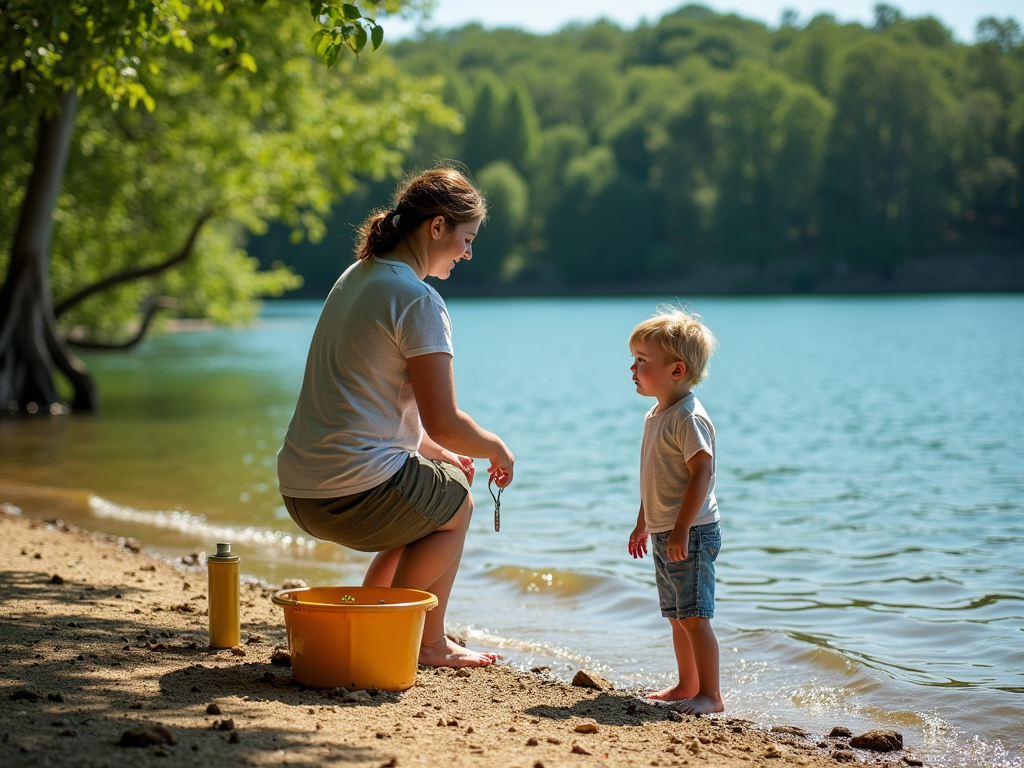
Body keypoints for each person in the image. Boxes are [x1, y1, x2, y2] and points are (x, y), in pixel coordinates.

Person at [277, 167, 514, 668]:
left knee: (436, 493)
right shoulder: (417, 298)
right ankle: (415, 639)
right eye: (465, 239)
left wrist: (435, 452)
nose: (468, 253)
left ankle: (378, 613)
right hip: (350, 492)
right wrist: (495, 447)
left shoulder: (356, 277)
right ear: (436, 228)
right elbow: (445, 419)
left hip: (301, 490)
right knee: (459, 504)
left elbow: (367, 403)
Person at [626, 307, 724, 715]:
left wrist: (683, 528)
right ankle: (687, 684)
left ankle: (711, 696)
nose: (632, 368)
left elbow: (702, 472)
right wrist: (641, 524)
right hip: (667, 530)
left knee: (695, 615)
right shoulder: (656, 413)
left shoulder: (688, 417)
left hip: (693, 530)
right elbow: (655, 477)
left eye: (642, 361)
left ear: (677, 370)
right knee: (676, 615)